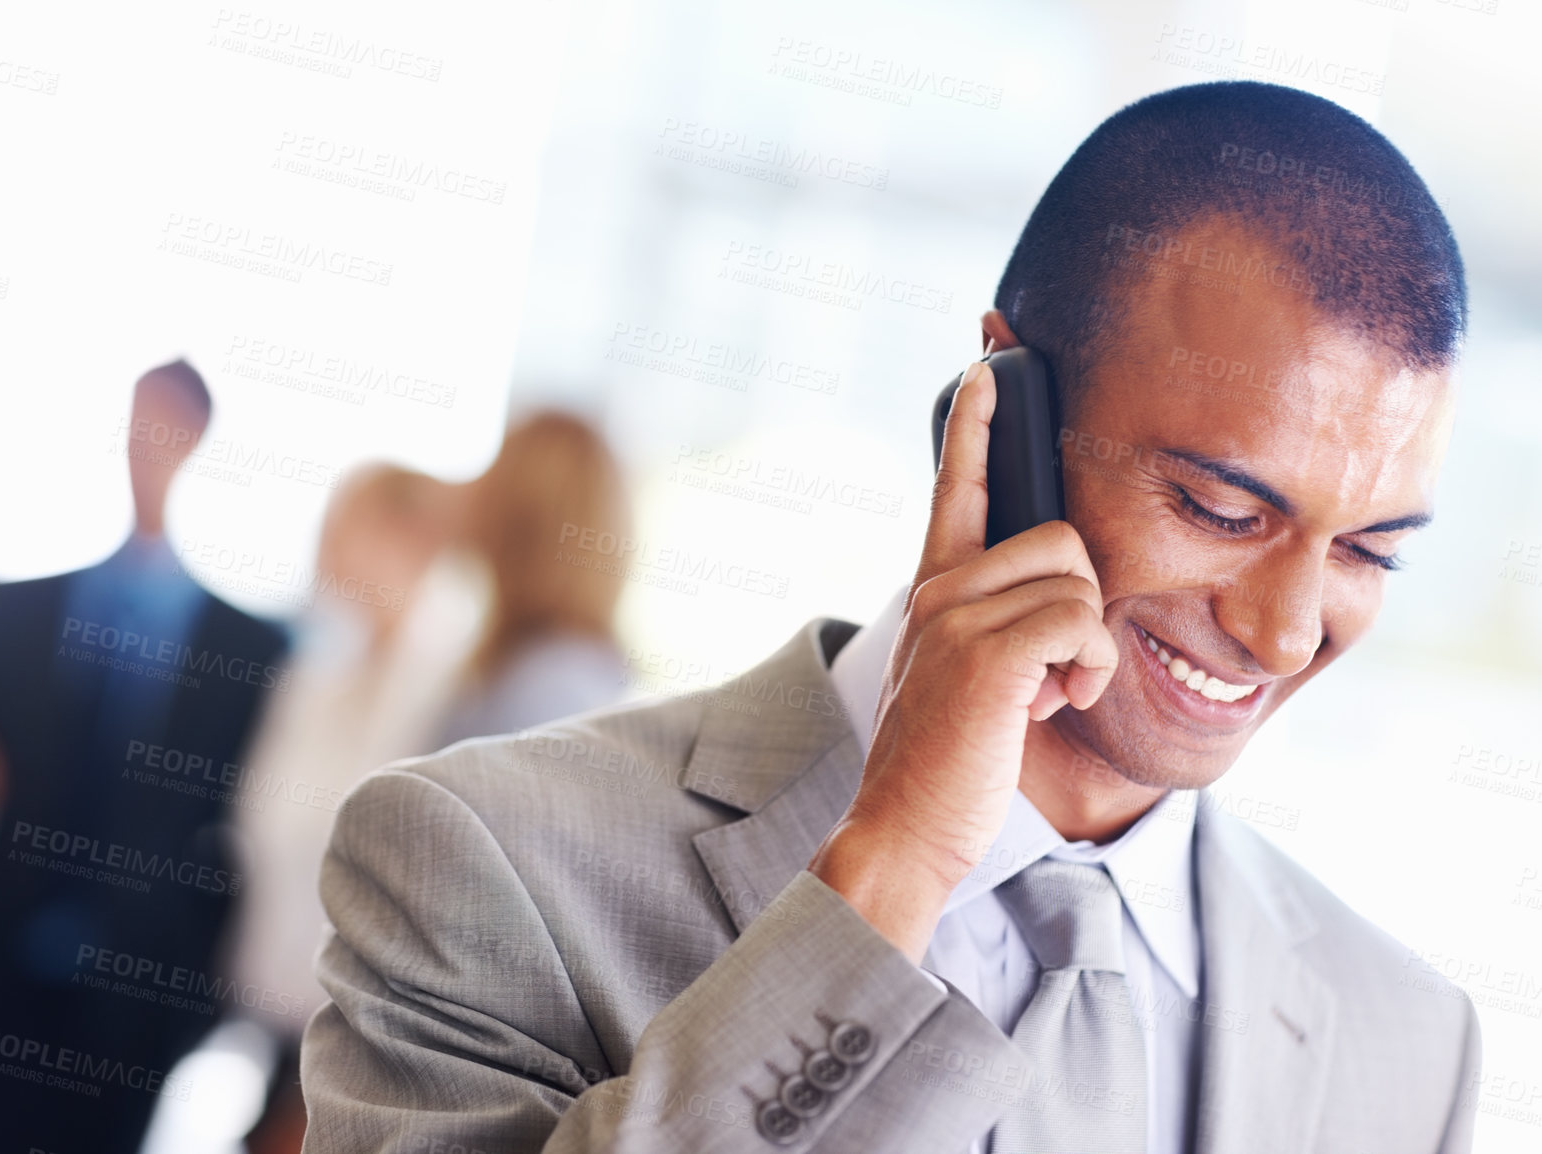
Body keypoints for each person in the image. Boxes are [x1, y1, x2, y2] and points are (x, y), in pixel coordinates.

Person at [299, 82, 1481, 1153]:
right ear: (1000, 410)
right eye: (1220, 507)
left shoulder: (1408, 1045)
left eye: (1369, 550)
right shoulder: (479, 861)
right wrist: (894, 863)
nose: (1284, 633)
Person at [0, 360, 289, 1154]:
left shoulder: (250, 650)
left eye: (169, 426)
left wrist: (179, 1016)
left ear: (200, 440)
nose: (150, 445)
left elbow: (244, 838)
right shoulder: (16, 609)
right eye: (139, 422)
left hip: (122, 1029)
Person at [227, 463, 483, 1154]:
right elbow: (262, 823)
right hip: (278, 1012)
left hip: (364, 1033)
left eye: (351, 529)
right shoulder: (317, 671)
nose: (330, 550)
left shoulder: (456, 685)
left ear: (416, 539)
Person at [433, 410, 631, 747]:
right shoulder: (532, 667)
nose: (474, 496)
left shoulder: (550, 689)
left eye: (495, 477)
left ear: (518, 521)